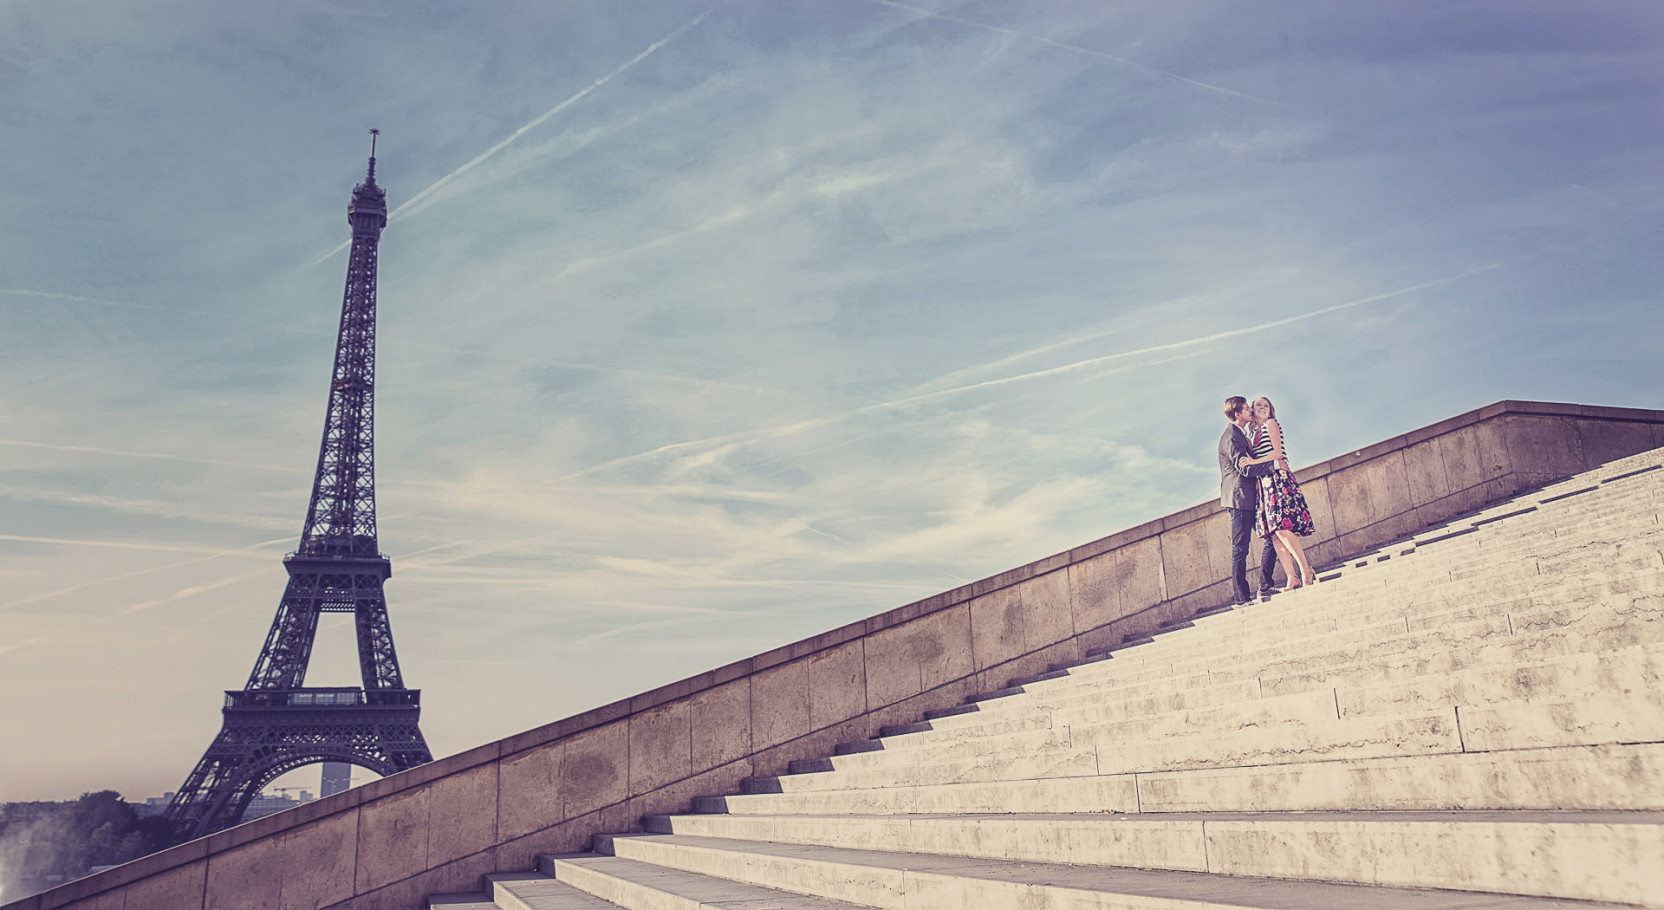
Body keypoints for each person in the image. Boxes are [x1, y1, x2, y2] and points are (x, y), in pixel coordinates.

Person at [1240, 396, 1317, 587]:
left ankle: (1306, 569)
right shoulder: (1253, 435)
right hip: (1264, 485)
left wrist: (1253, 462)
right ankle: (1292, 577)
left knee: (1282, 528)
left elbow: (1277, 453)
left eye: (1266, 405)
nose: (1263, 407)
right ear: (1251, 409)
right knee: (1274, 533)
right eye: (1258, 405)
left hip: (1278, 480)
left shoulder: (1271, 424)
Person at [1218, 396, 1277, 606]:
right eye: (1246, 409)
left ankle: (1265, 584)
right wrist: (1273, 466)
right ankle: (1242, 598)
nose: (1250, 410)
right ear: (1237, 414)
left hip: (1248, 498)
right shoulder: (1232, 436)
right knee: (1240, 549)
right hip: (1239, 499)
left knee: (1272, 536)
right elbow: (1244, 467)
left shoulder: (1241, 434)